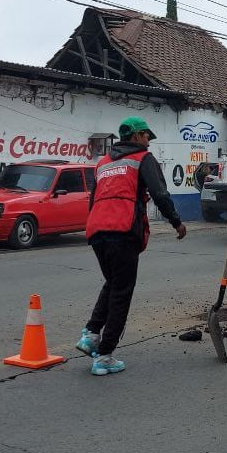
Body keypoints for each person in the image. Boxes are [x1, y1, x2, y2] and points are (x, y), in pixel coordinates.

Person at [76, 116, 187, 376]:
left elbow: (94, 199)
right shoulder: (142, 159)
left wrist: (95, 226)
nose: (149, 141)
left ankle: (91, 335)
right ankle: (104, 355)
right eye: (147, 135)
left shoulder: (103, 162)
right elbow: (160, 194)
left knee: (113, 283)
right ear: (136, 136)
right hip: (123, 229)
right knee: (122, 292)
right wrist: (176, 222)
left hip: (96, 230)